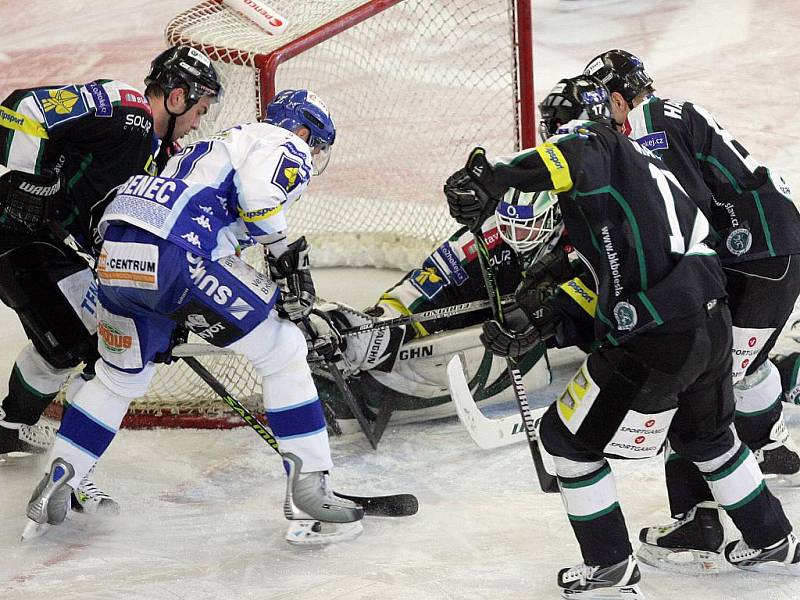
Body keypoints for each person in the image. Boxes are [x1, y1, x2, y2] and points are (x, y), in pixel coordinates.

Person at [445, 75, 799, 598]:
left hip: (661, 334)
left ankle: (610, 568)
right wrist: (544, 323)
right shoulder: (641, 165)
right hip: (711, 316)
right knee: (707, 437)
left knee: (566, 442)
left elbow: (571, 154)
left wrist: (494, 177)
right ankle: (774, 539)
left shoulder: (593, 144)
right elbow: (608, 281)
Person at [22, 89, 365, 546]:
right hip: (179, 254)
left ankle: (57, 484)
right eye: (315, 145)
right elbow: (261, 199)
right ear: (303, 130)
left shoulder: (216, 144)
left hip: (119, 257)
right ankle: (309, 490)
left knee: (118, 379)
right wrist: (284, 256)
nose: (312, 155)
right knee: (284, 351)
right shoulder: (282, 141)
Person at [584, 49, 800, 568]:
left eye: (599, 109)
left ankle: (699, 522)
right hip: (772, 251)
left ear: (618, 98)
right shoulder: (672, 109)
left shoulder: (649, 126)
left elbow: (686, 210)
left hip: (756, 260)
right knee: (725, 370)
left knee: (700, 384)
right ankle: (768, 449)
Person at [0, 45, 221, 511]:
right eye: (199, 109)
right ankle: (74, 473)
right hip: (19, 234)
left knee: (68, 340)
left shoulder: (162, 161)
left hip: (50, 250)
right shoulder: (127, 108)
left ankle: (9, 427)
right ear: (177, 97)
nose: (199, 122)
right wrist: (32, 178)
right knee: (95, 346)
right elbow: (23, 110)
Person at [310, 193, 563, 438]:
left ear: (553, 216)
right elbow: (437, 275)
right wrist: (387, 321)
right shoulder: (490, 231)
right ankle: (368, 336)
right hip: (504, 299)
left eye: (528, 226)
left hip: (568, 315)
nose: (516, 236)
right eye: (509, 225)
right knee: (445, 297)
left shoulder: (581, 231)